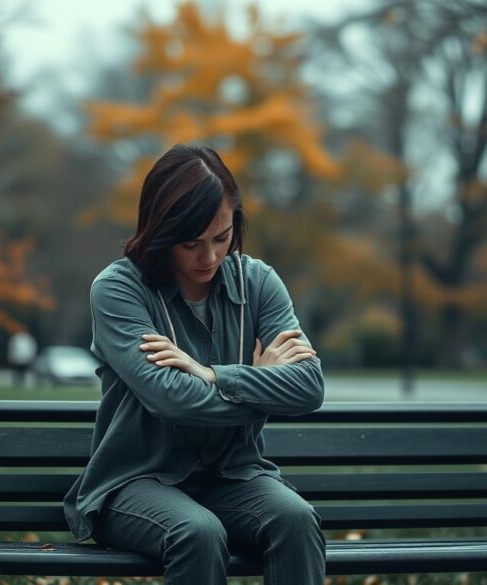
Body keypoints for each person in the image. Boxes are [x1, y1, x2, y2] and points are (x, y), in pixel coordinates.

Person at [62, 143, 326, 584]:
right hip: (135, 484)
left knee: (296, 519)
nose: (209, 257)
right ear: (161, 233)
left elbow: (309, 386)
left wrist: (212, 374)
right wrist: (260, 384)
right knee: (197, 532)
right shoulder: (118, 290)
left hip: (233, 477)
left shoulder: (259, 282)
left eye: (221, 238)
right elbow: (172, 400)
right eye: (191, 244)